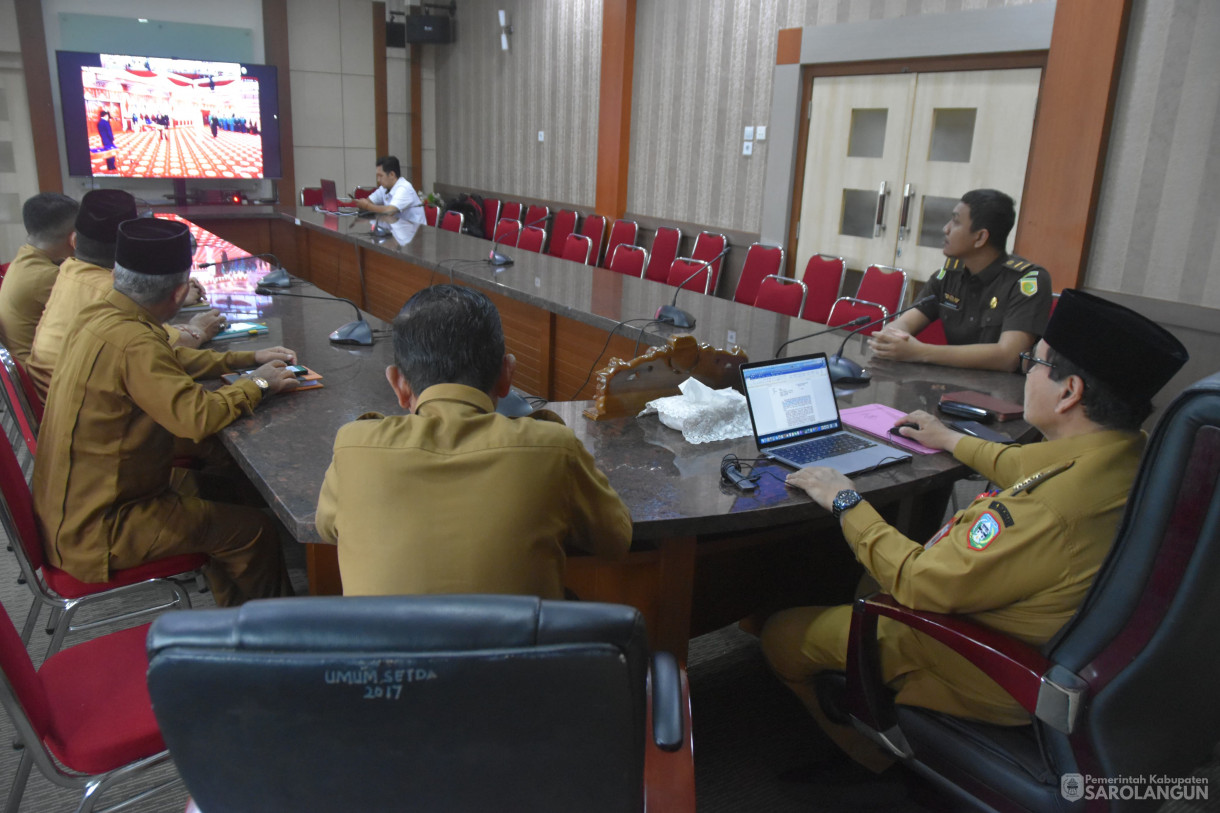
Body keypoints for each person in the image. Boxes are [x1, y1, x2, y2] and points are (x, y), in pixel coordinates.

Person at [761, 289, 1187, 771]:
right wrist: (948, 439)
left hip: (982, 663)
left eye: (1036, 362)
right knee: (867, 580)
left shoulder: (1048, 511)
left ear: (1069, 392)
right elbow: (1023, 461)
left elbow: (923, 582)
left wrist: (844, 499)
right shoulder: (1131, 453)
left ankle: (871, 762)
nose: (1026, 372)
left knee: (779, 632)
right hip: (1069, 648)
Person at [32, 218, 301, 607]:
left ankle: (235, 616)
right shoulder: (134, 342)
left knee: (236, 492)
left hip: (81, 503)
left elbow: (169, 358)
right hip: (104, 524)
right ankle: (281, 639)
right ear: (178, 294)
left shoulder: (100, 315)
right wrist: (258, 383)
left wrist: (247, 358)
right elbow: (196, 419)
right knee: (255, 530)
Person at [316, 284, 632, 597]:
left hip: (386, 649)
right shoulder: (552, 449)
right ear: (507, 375)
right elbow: (615, 538)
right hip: (518, 647)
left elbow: (326, 527)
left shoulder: (354, 447)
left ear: (399, 385)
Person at [27, 190, 226, 400]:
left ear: (76, 241)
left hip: (52, 396)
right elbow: (166, 347)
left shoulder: (69, 268)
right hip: (86, 401)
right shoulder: (112, 292)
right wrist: (199, 330)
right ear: (134, 248)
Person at [868, 189, 1052, 372]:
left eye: (956, 222)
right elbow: (908, 321)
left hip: (1000, 393)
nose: (945, 228)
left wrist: (920, 352)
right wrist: (891, 336)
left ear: (980, 237)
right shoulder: (949, 275)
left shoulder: (1026, 281)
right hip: (952, 383)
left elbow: (1009, 356)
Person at [0, 193, 79, 364]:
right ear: (74, 238)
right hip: (38, 379)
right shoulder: (46, 277)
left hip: (24, 368)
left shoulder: (24, 259)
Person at [352, 155, 426, 226]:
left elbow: (390, 211)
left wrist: (367, 206)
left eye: (380, 176)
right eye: (377, 176)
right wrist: (362, 204)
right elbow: (369, 201)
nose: (378, 180)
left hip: (414, 233)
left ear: (392, 175)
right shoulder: (384, 187)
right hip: (397, 230)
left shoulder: (404, 188)